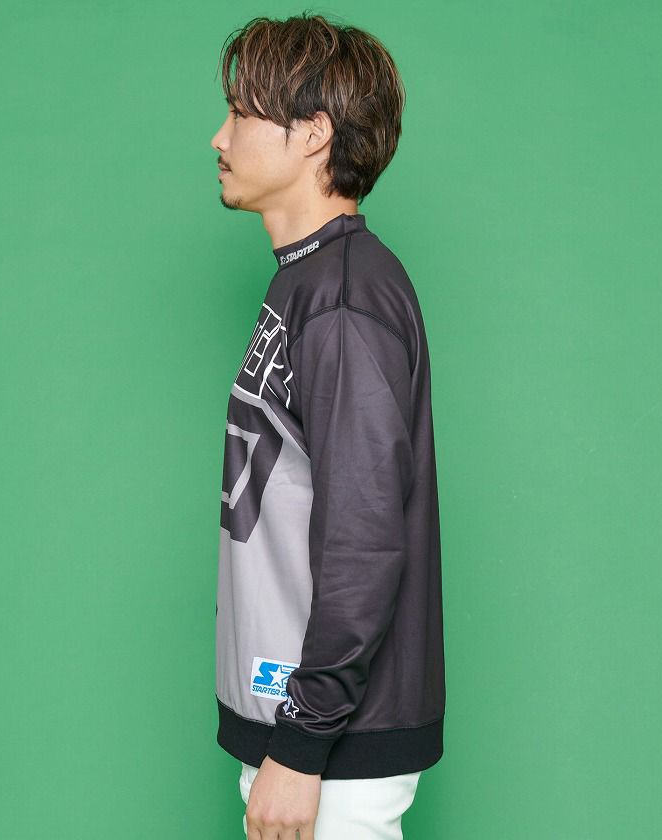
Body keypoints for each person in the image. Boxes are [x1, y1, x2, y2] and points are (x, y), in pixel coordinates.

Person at [209, 12, 445, 839]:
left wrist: (303, 745)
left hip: (333, 746)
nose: (219, 137)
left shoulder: (343, 299)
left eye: (241, 114)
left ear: (313, 134)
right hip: (304, 728)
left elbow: (365, 538)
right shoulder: (308, 282)